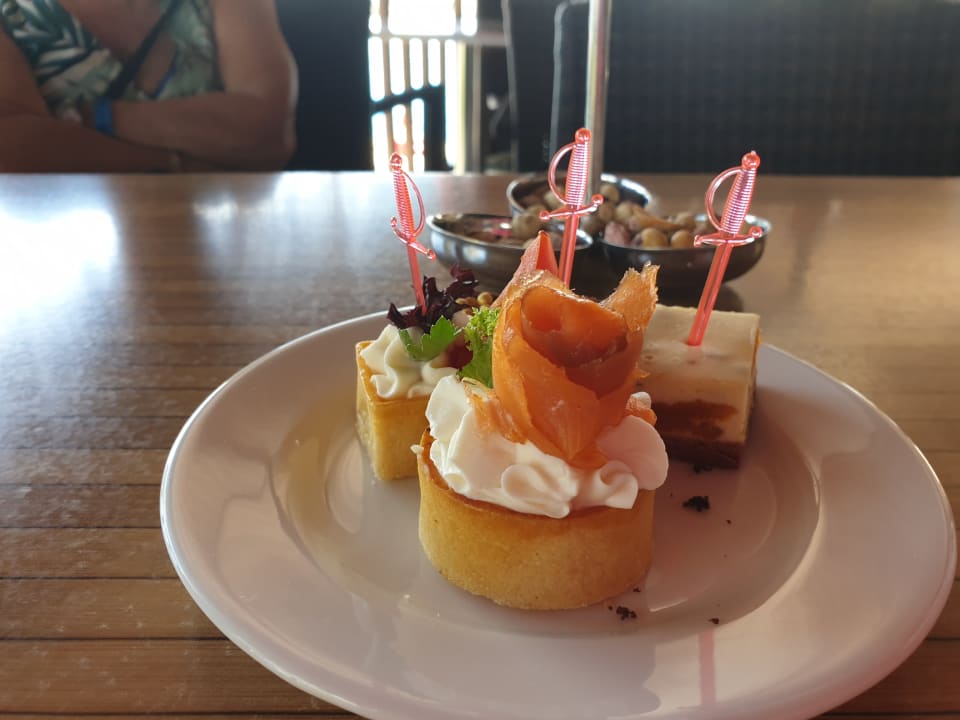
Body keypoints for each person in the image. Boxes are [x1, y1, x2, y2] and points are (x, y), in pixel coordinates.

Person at [0, 0, 298, 172]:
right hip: (68, 250)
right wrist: (173, 163)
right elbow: (15, 153)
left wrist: (93, 119)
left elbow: (269, 131)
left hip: (237, 243)